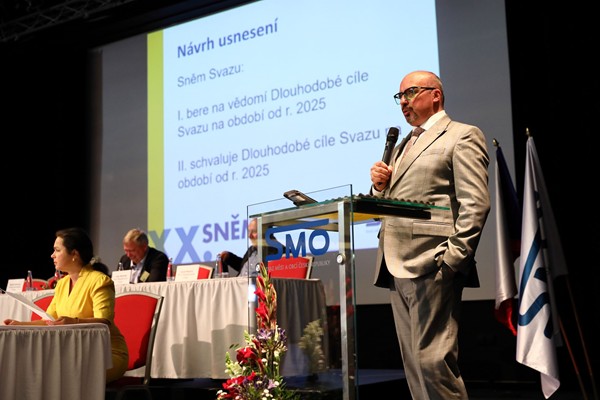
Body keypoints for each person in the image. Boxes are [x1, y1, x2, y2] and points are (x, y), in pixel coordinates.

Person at [369, 70, 490, 399]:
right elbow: (384, 208)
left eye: (410, 93)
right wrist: (378, 188)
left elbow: (476, 204)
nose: (403, 102)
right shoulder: (402, 147)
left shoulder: (462, 135)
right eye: (400, 97)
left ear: (435, 95)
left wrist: (452, 261)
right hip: (394, 266)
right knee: (415, 367)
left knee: (434, 364)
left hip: (433, 264)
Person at [4, 227, 129, 383]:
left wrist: (74, 322)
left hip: (106, 353)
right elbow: (49, 320)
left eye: (57, 250)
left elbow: (104, 321)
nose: (52, 255)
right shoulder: (62, 284)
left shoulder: (100, 281)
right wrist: (19, 325)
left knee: (59, 373)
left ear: (74, 254)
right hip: (74, 352)